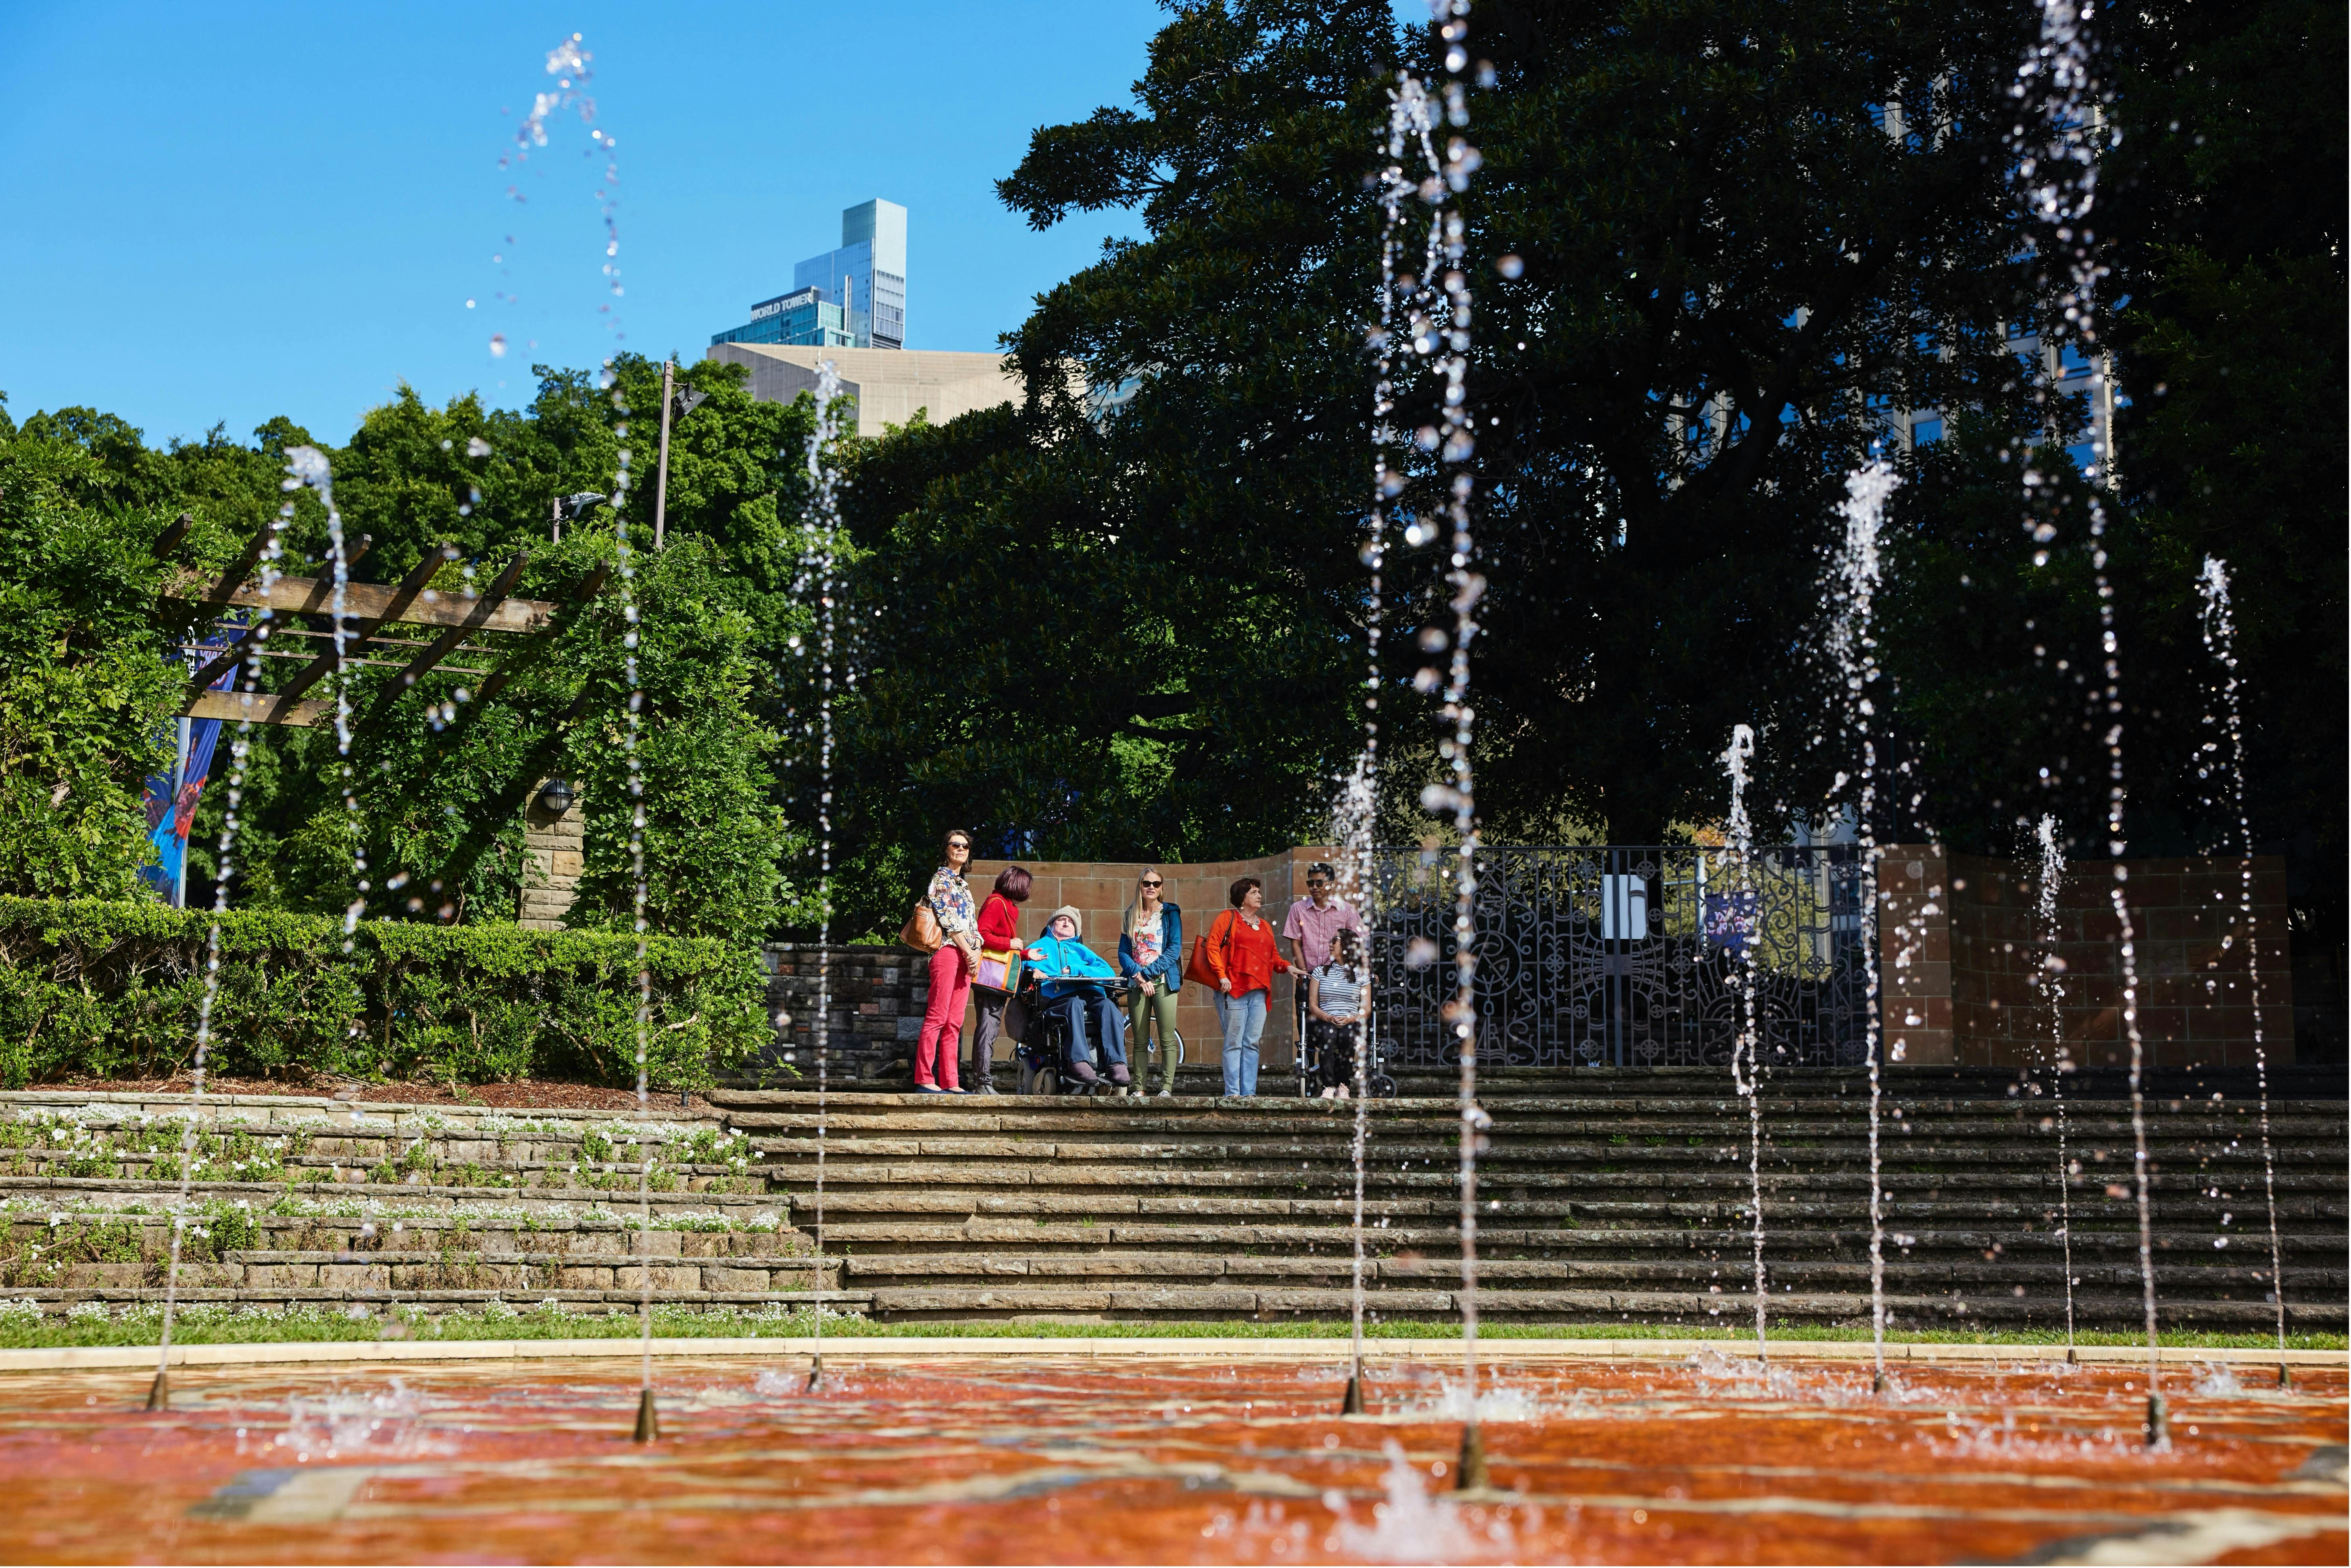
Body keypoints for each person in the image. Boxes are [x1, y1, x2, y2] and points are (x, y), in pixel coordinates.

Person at [1205, 875, 1295, 1097]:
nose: (1259, 896)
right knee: (1234, 1042)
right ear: (1242, 898)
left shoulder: (1263, 925)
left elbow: (1273, 957)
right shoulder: (1228, 918)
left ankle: (1249, 1094)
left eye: (1259, 892)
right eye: (1254, 892)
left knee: (1252, 1043)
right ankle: (1233, 1094)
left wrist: (1288, 967)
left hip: (1259, 992)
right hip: (1233, 989)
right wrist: (1221, 975)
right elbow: (1212, 947)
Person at [1022, 906, 1131, 1089]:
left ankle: (1117, 1063)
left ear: (1076, 931)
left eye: (1071, 922)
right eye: (1061, 920)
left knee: (1109, 1007)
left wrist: (1078, 969)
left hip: (1090, 995)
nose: (1066, 923)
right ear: (1051, 926)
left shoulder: (1082, 950)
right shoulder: (1036, 949)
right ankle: (1078, 1061)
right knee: (1075, 1004)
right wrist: (1033, 972)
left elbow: (1107, 971)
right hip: (1057, 998)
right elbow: (1021, 971)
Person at [911, 828, 980, 1094]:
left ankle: (951, 1081)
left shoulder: (964, 885)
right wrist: (968, 951)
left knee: (955, 1021)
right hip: (947, 952)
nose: (961, 849)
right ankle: (924, 1078)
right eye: (955, 844)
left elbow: (972, 926)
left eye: (965, 846)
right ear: (947, 849)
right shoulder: (941, 879)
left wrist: (975, 953)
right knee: (937, 1016)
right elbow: (949, 922)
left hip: (965, 955)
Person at [1281, 862, 1363, 1074]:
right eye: (1311, 883)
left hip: (1340, 980)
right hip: (1309, 978)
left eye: (1320, 882)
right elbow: (1295, 943)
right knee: (1307, 1027)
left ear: (1331, 884)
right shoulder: (1298, 909)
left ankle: (1340, 1072)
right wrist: (1302, 972)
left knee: (1341, 1026)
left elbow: (1362, 940)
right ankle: (1308, 1069)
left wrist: (1366, 969)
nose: (1314, 887)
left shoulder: (1346, 910)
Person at [1117, 869, 1184, 1099]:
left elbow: (1174, 949)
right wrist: (1138, 975)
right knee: (1139, 1040)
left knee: (1167, 1038)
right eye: (1147, 883)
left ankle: (1166, 1088)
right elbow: (1123, 953)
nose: (1152, 887)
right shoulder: (1130, 915)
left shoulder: (1171, 913)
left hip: (1164, 981)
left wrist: (1148, 974)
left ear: (1162, 887)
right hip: (1137, 984)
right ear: (1140, 886)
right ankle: (1139, 1089)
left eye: (1157, 883)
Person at [966, 865, 1032, 1095]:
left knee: (990, 1028)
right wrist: (1010, 944)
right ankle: (982, 1083)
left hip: (997, 977)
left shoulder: (1009, 907)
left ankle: (983, 1081)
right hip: (990, 977)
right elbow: (981, 935)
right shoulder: (997, 903)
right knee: (988, 1027)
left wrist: (1024, 953)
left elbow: (1006, 944)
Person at [1306, 927, 1369, 1099]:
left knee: (1348, 1037)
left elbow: (1367, 1009)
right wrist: (1327, 1017)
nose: (1330, 944)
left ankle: (1343, 1085)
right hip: (1326, 1020)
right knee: (1328, 1034)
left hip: (1351, 1021)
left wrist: (1350, 1020)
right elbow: (1313, 1005)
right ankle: (1328, 1086)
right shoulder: (1320, 972)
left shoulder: (1362, 975)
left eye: (1335, 940)